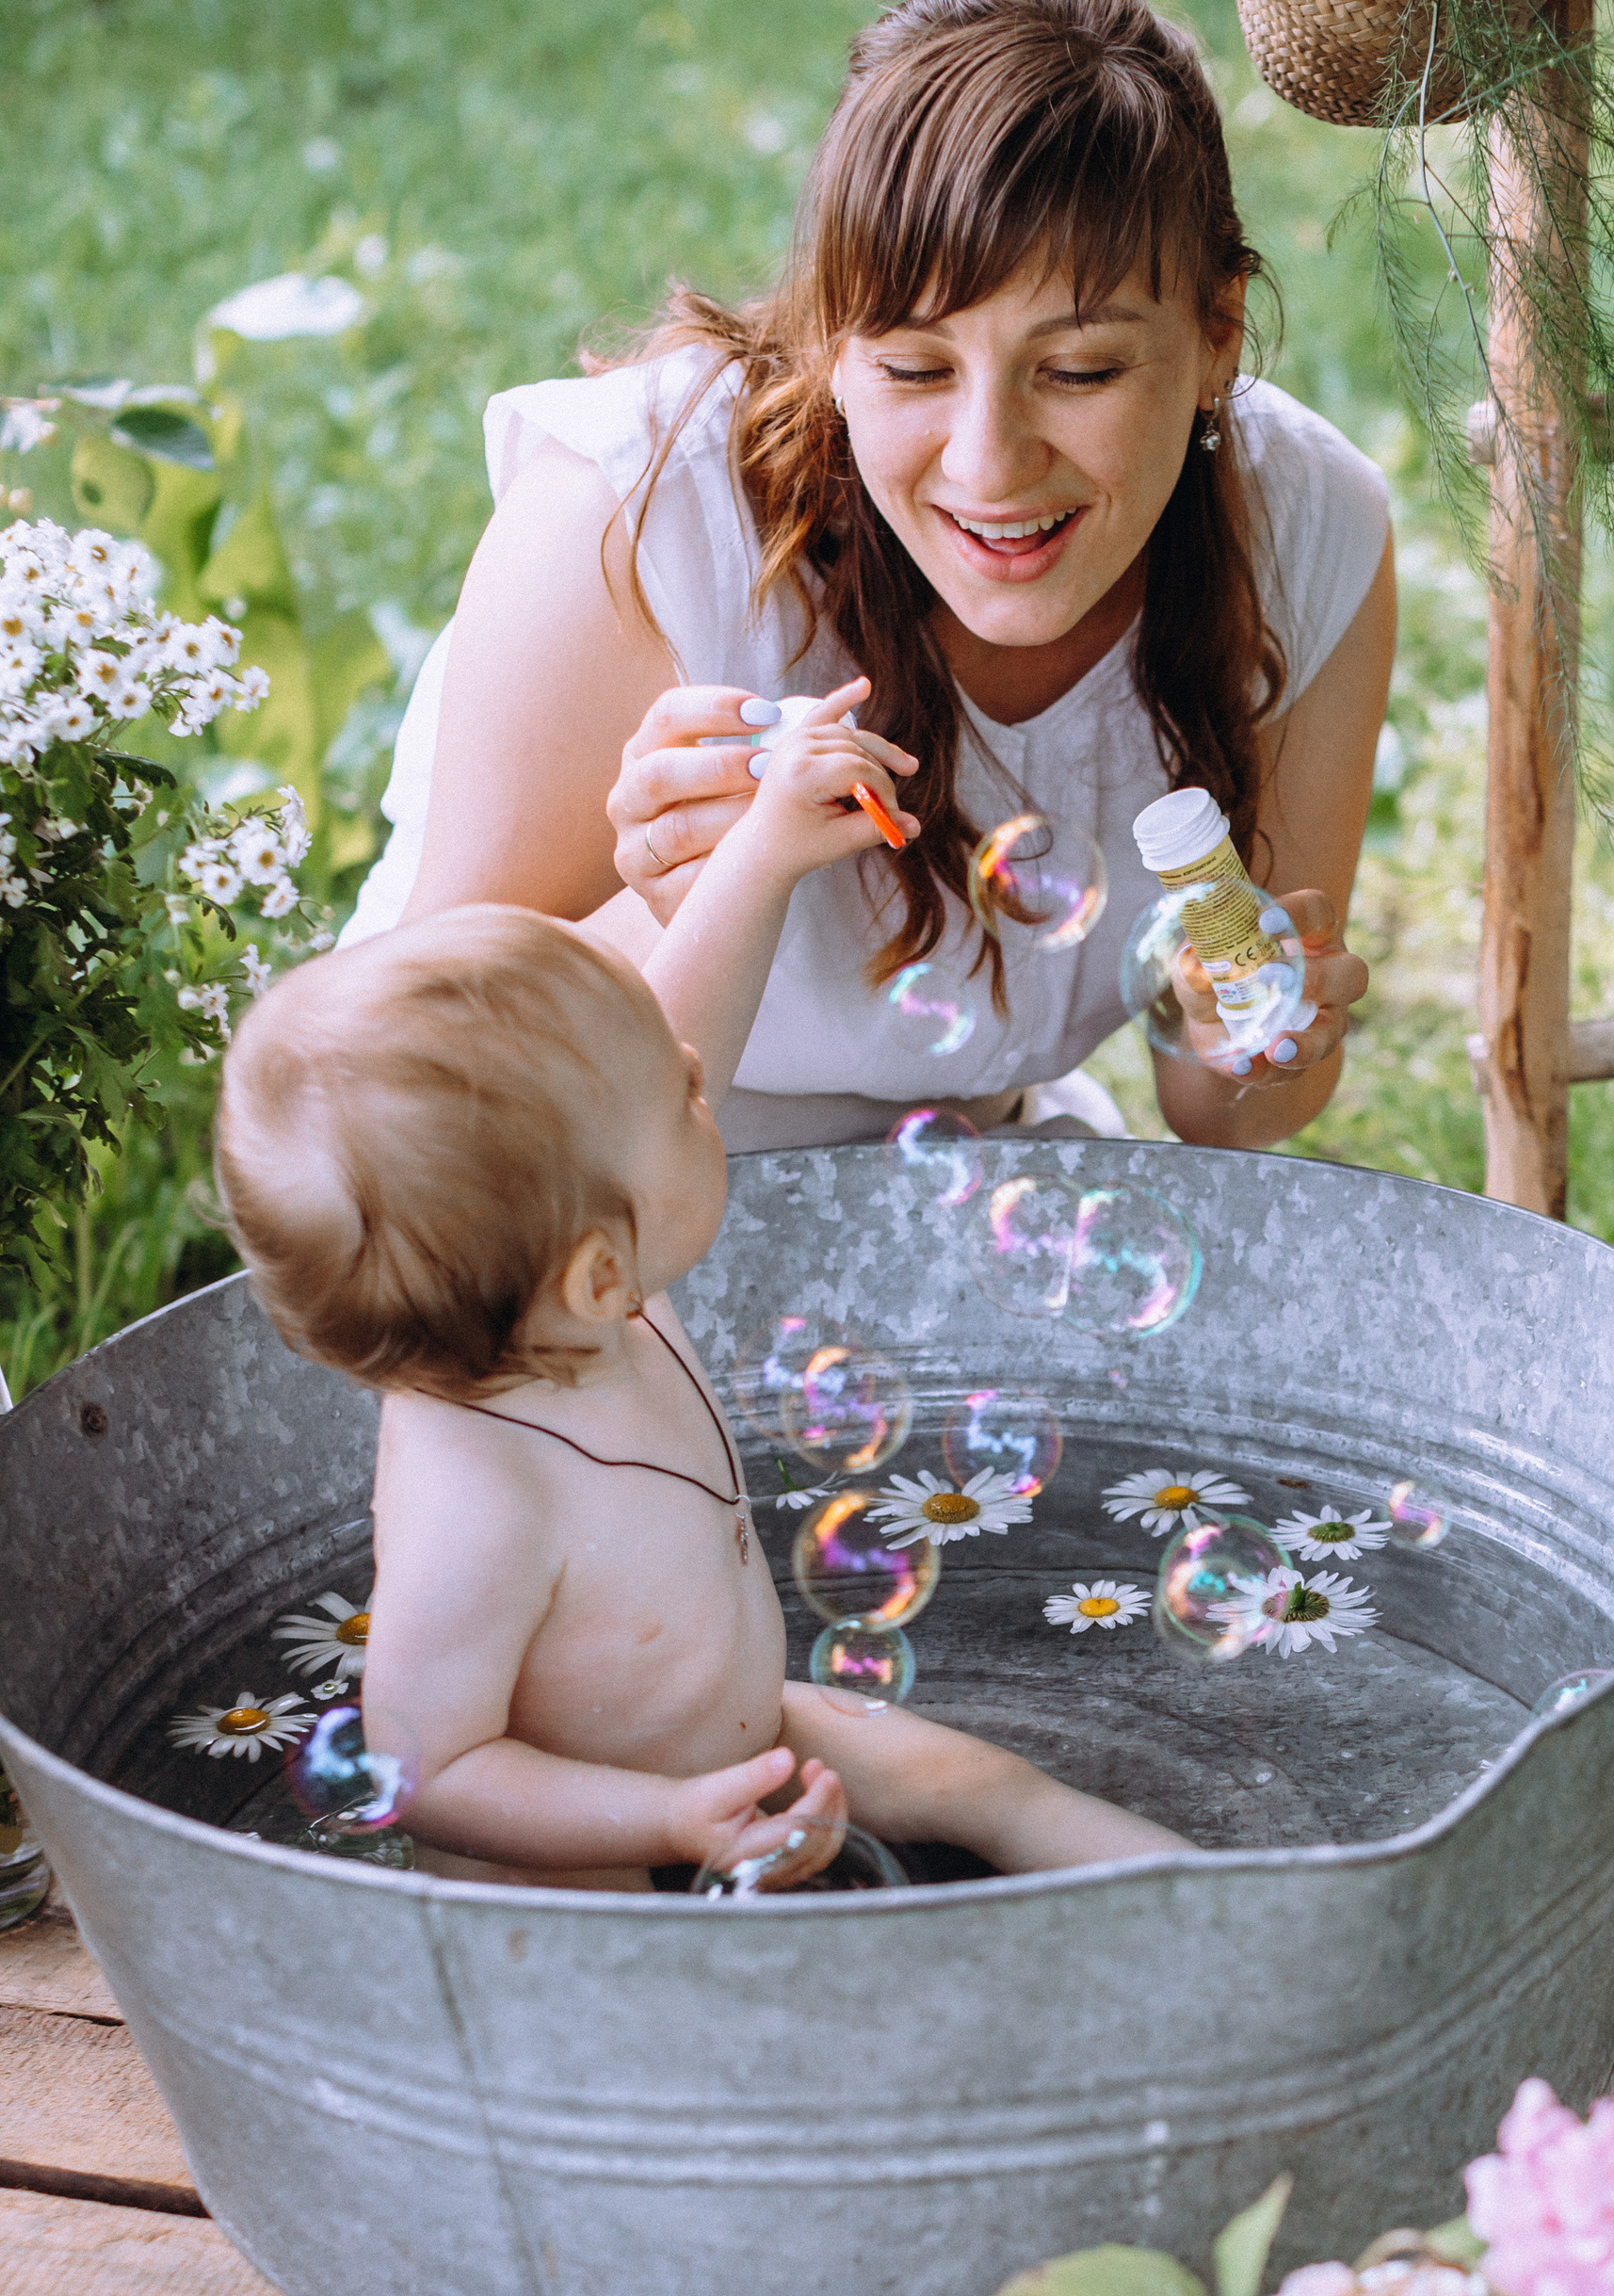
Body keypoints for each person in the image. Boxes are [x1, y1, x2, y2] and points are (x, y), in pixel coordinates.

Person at [344, 0, 1395, 1152]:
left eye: (1081, 370)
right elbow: (419, 1088)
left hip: (960, 1183)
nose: (989, 464)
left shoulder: (1306, 529)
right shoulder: (639, 518)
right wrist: (692, 905)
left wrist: (1240, 1026)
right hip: (566, 1193)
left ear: (1219, 336)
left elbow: (1234, 1110)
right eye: (912, 369)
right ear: (832, 344)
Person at [216, 706, 1190, 1895]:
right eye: (677, 1098)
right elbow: (437, 1770)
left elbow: (680, 1024)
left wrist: (769, 846)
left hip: (737, 1741)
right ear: (599, 1272)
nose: (699, 1073)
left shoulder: (578, 1287)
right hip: (587, 1873)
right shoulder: (477, 1497)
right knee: (712, 2015)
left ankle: (1218, 1911)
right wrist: (671, 1819)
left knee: (988, 1787)